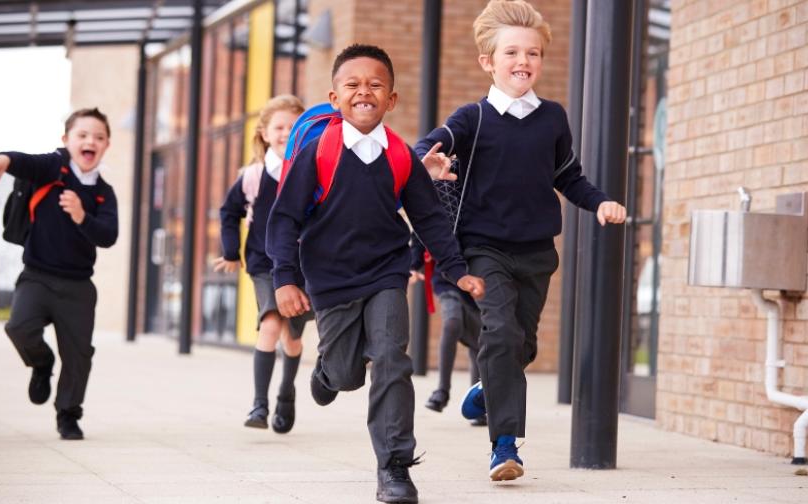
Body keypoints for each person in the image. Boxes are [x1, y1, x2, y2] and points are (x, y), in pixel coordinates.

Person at [415, 0, 627, 482]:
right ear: (488, 61)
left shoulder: (553, 117)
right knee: (502, 335)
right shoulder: (472, 118)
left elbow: (568, 177)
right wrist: (428, 160)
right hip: (483, 248)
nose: (523, 61)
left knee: (522, 345)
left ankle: (486, 393)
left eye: (533, 53)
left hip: (536, 252)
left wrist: (599, 203)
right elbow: (426, 146)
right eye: (511, 52)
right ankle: (505, 446)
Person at [266, 44, 485, 504]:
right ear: (334, 96)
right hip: (329, 279)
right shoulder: (317, 151)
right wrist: (285, 278)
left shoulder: (401, 156)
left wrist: (457, 270)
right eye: (353, 84)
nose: (364, 91)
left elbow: (428, 219)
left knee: (391, 357)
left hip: (387, 272)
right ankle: (328, 372)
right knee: (347, 374)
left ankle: (394, 467)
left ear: (392, 99)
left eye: (375, 84)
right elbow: (284, 218)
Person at [0, 108, 118, 441]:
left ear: (107, 145)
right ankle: (42, 364)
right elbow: (23, 161)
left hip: (78, 286)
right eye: (82, 135)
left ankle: (68, 415)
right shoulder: (52, 168)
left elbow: (109, 236)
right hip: (37, 276)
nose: (90, 142)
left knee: (79, 355)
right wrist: (3, 160)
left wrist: (82, 216)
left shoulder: (104, 192)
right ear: (66, 140)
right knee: (19, 327)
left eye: (98, 137)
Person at [213, 95, 309, 434]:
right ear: (265, 133)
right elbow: (228, 213)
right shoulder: (253, 176)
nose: (286, 133)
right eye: (279, 127)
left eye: (293, 127)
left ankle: (286, 394)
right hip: (264, 262)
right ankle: (259, 403)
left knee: (292, 338)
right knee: (270, 322)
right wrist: (229, 251)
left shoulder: (311, 170)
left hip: (303, 266)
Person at [409, 236, 485, 426]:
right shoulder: (441, 205)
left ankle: (477, 403)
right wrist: (413, 264)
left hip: (479, 277)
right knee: (452, 322)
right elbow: (422, 229)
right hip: (446, 276)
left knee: (479, 339)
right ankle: (442, 391)